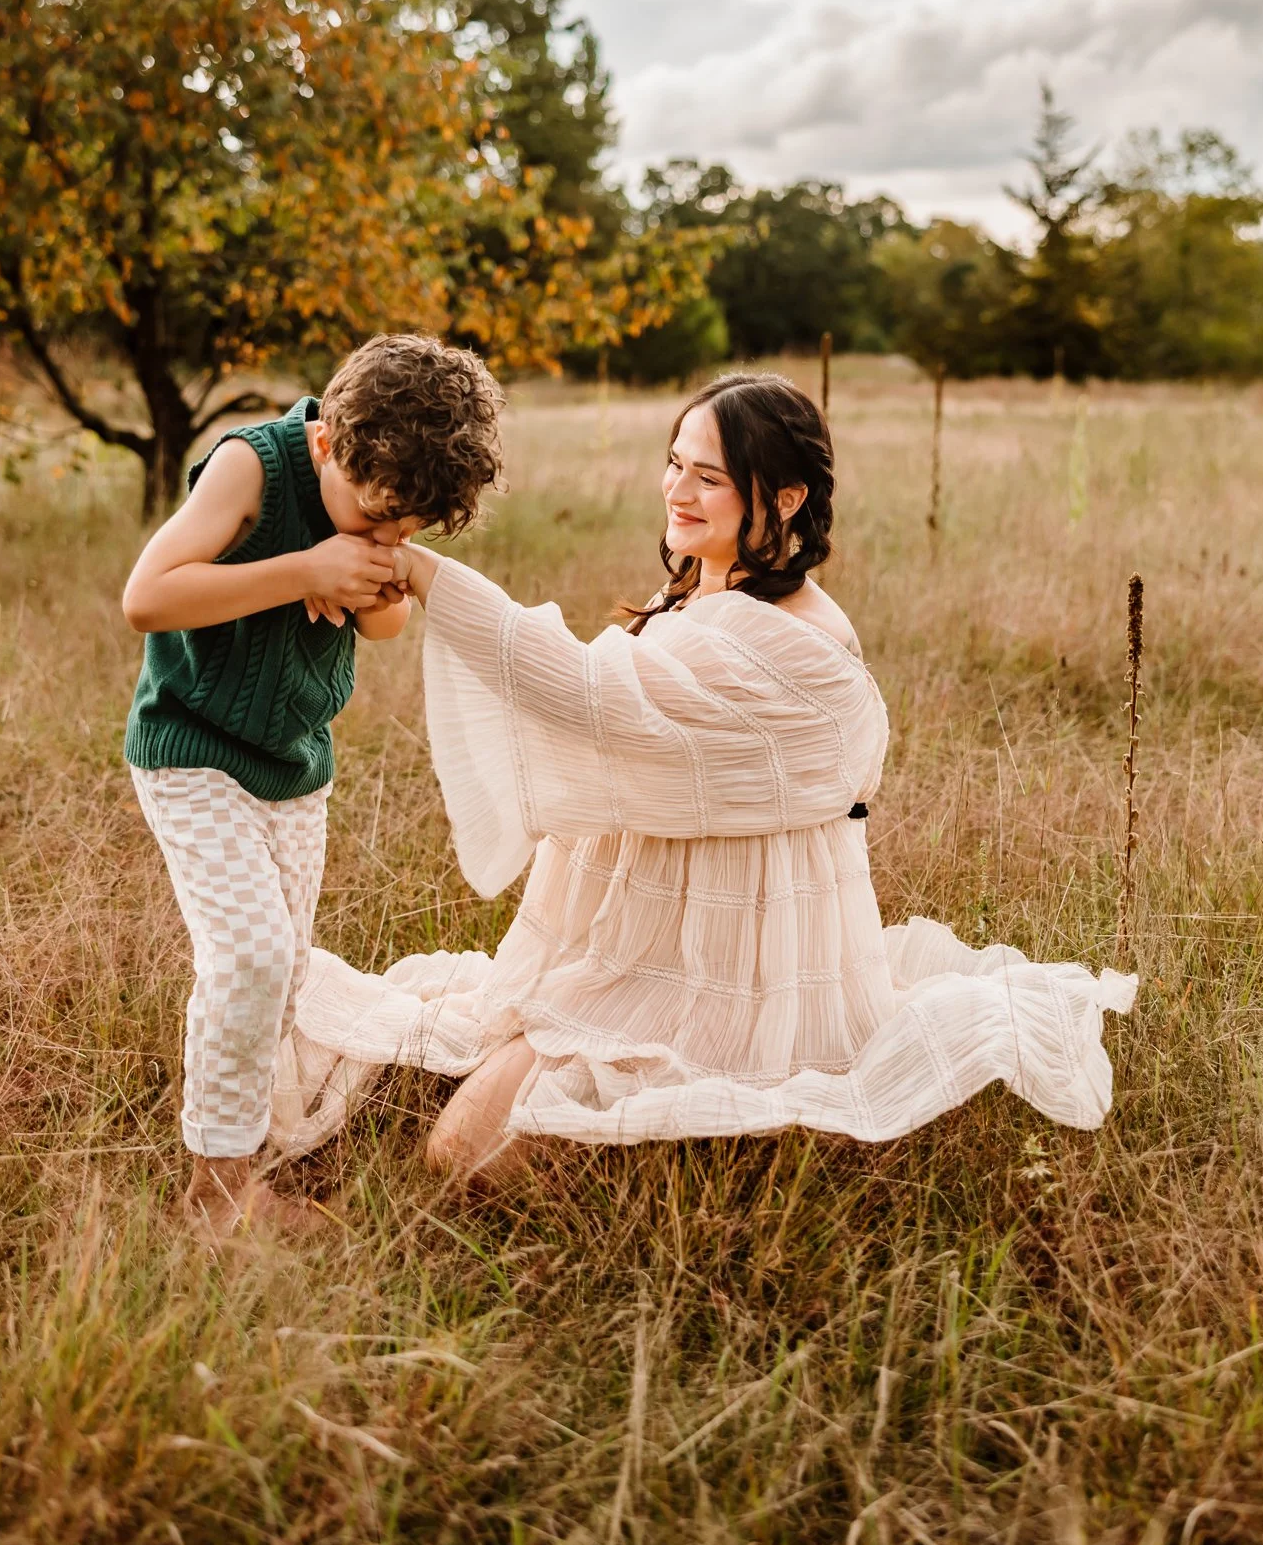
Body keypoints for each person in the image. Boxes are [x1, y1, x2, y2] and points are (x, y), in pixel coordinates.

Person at [269, 373, 1136, 1183]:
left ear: (785, 497)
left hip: (725, 970)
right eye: (674, 465)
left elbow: (588, 695)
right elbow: (621, 716)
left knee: (459, 1158)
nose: (677, 493)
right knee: (433, 1121)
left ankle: (690, 1161)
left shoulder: (792, 642)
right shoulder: (699, 595)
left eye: (709, 479)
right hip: (634, 943)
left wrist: (422, 571)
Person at [121, 333, 502, 1236]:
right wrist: (303, 570)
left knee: (284, 972)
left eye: (405, 534)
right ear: (328, 443)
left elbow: (384, 632)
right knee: (249, 955)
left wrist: (376, 592)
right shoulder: (249, 469)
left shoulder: (374, 511)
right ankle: (215, 1202)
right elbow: (148, 595)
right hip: (193, 749)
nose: (384, 541)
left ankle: (252, 1150)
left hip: (295, 767)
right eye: (373, 520)